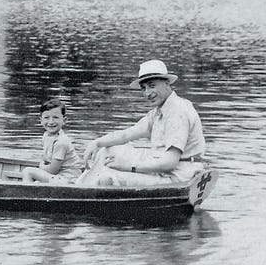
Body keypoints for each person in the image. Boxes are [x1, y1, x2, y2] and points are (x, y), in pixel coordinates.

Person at [78, 59, 206, 186]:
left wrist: (129, 167)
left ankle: (81, 192)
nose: (147, 93)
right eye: (143, 88)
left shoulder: (177, 112)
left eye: (152, 86)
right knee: (108, 150)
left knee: (108, 176)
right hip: (164, 169)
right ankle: (80, 186)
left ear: (167, 83)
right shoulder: (160, 111)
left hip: (178, 176)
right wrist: (97, 143)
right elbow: (126, 135)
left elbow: (170, 162)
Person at [21, 99, 84, 184]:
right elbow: (47, 158)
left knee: (28, 171)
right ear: (41, 120)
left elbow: (52, 171)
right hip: (58, 177)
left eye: (56, 117)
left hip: (68, 180)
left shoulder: (61, 142)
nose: (51, 122)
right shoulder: (46, 135)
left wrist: (41, 166)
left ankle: (26, 195)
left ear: (64, 120)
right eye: (46, 118)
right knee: (36, 180)